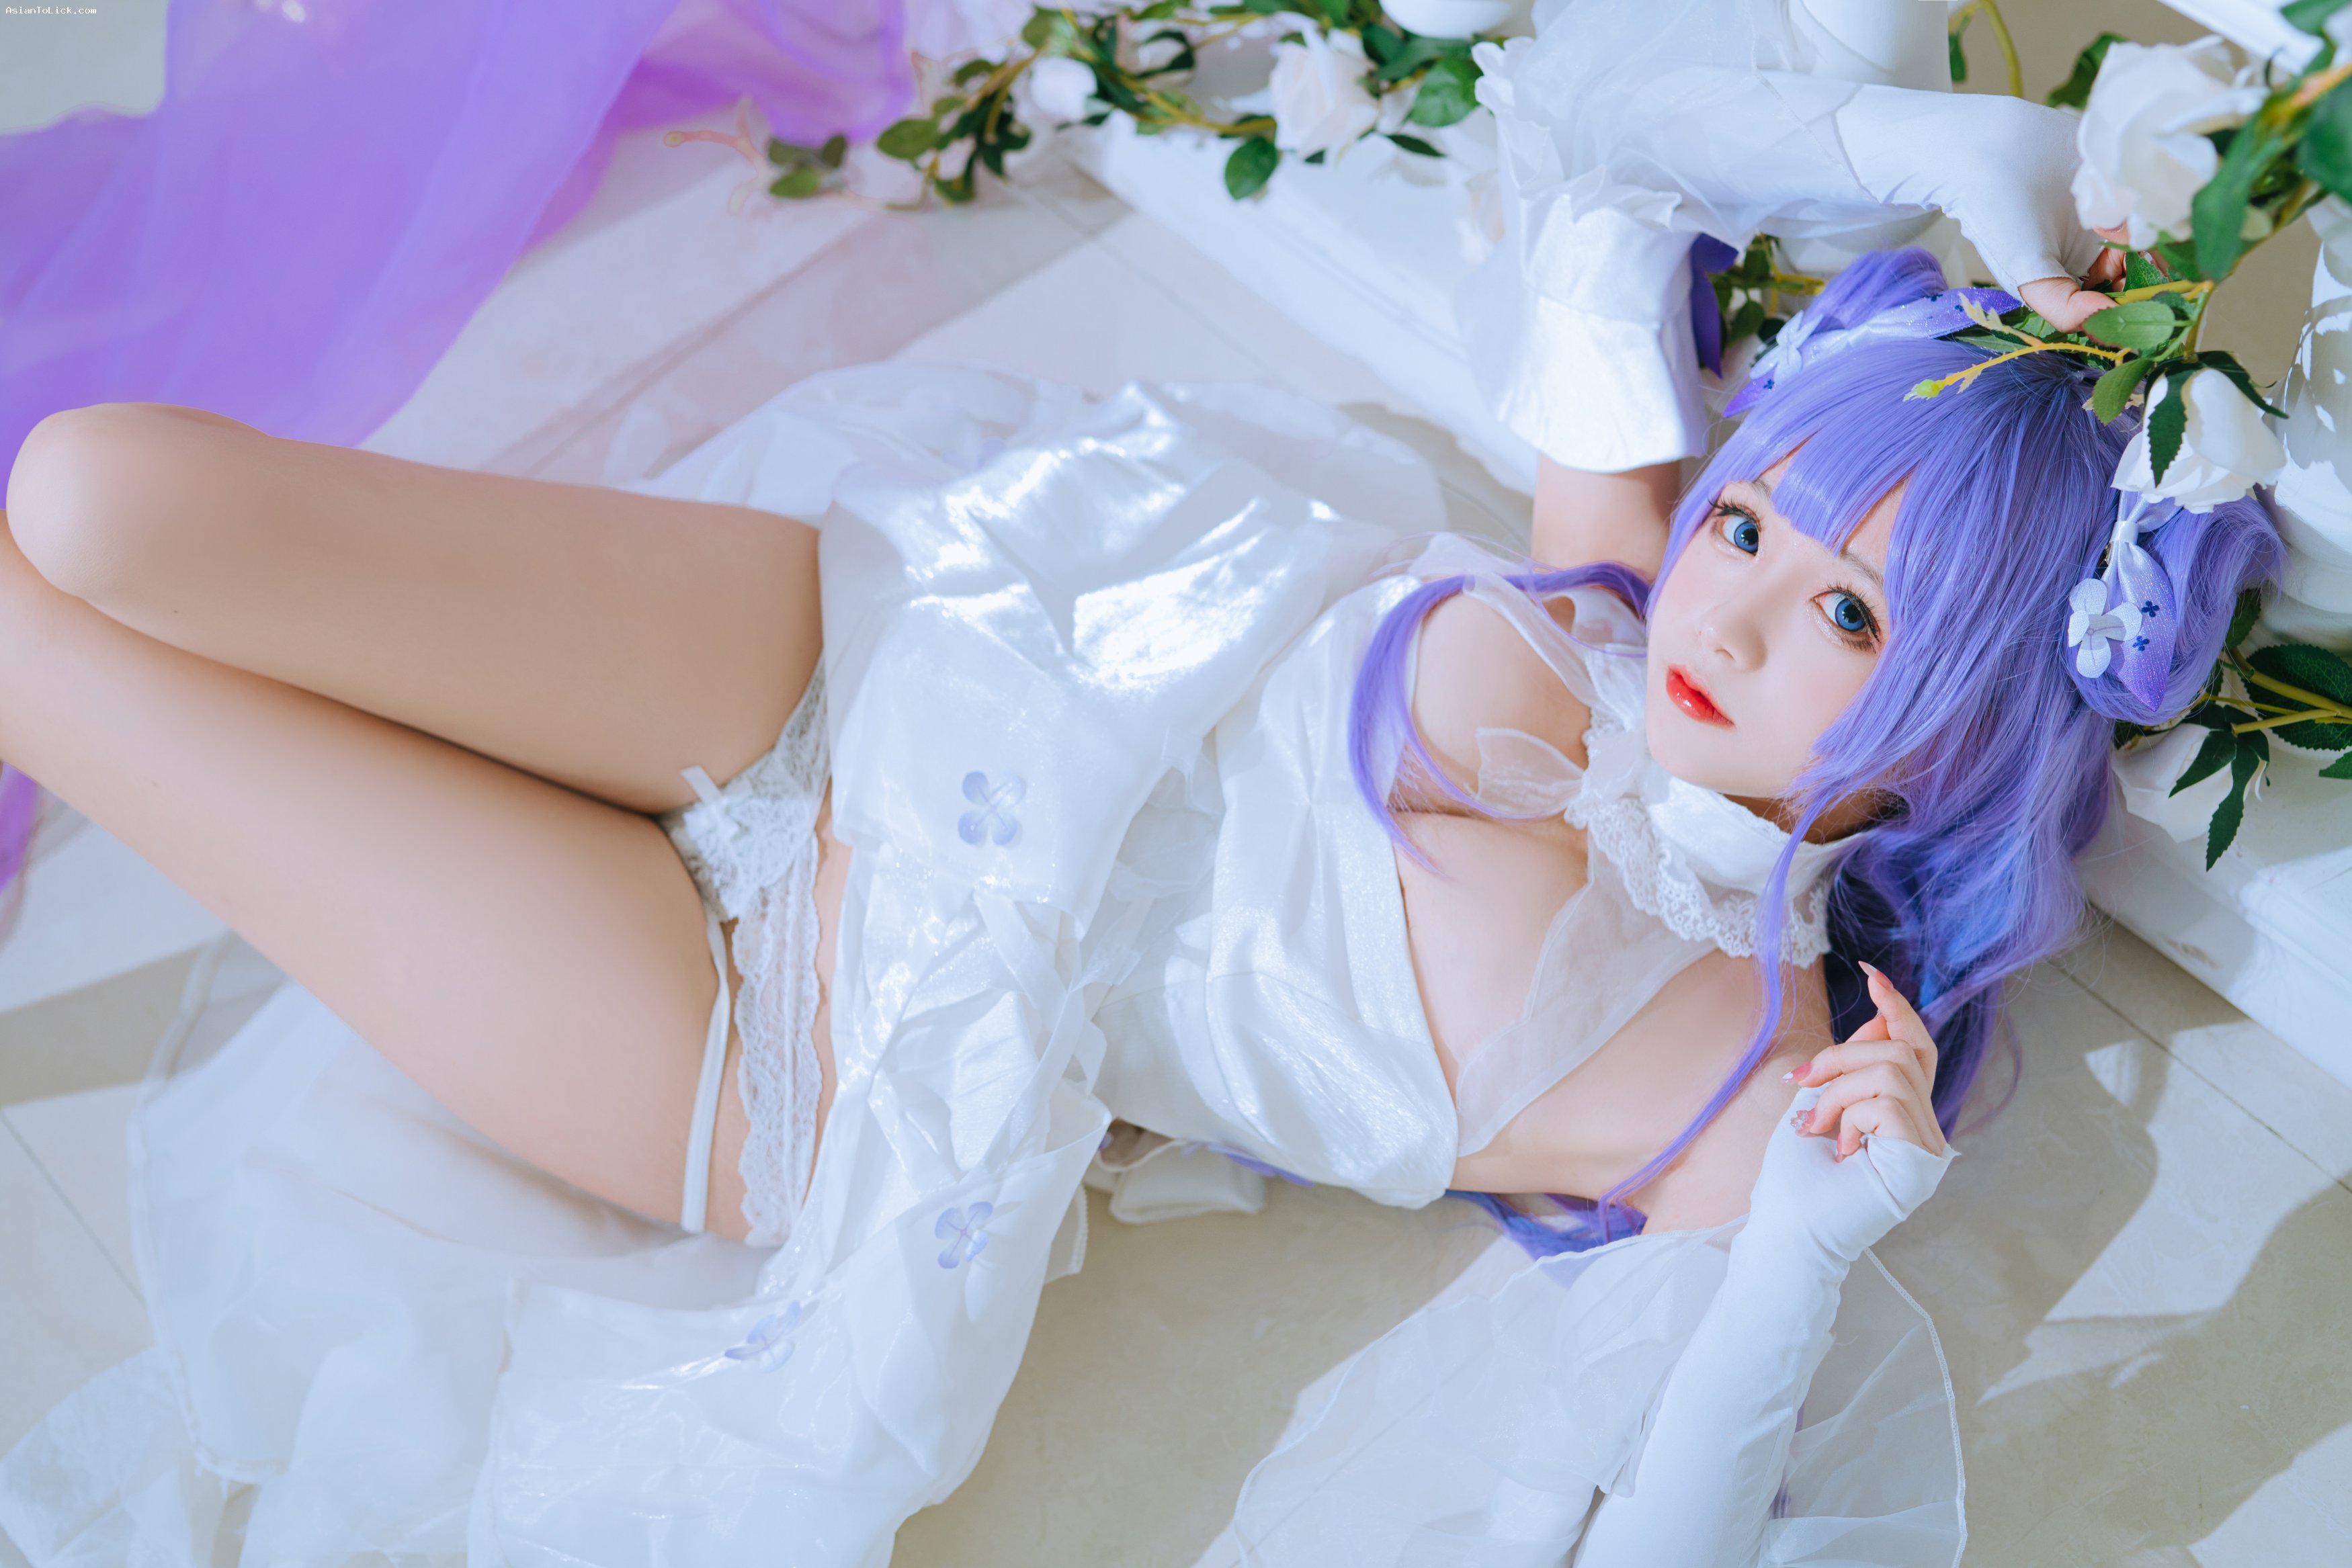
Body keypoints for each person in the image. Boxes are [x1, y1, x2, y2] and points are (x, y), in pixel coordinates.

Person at [0, 7, 2285, 1567]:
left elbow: (1680, 1521)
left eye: (1851, 617)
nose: (1738, 604)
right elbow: (1593, 162)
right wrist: (1910, 156)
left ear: (1975, 713)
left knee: (39, 644)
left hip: (797, 1045)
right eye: (1762, 515)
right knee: (100, 496)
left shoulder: (1748, 1071)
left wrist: (1802, 1249)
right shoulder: (1616, 587)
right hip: (865, 667)